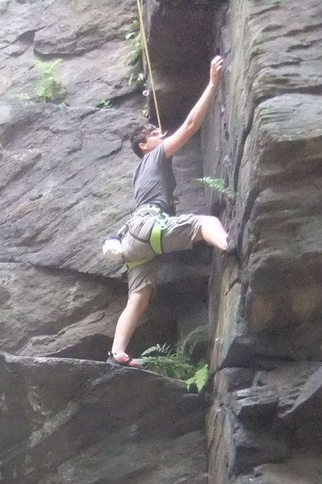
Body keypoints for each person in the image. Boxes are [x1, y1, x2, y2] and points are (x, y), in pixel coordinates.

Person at [107, 55, 231, 367]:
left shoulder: (141, 174)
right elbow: (190, 125)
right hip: (149, 228)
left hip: (133, 241)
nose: (160, 134)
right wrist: (213, 83)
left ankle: (116, 353)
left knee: (139, 297)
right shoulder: (155, 157)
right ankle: (232, 247)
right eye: (154, 134)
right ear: (144, 146)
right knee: (206, 222)